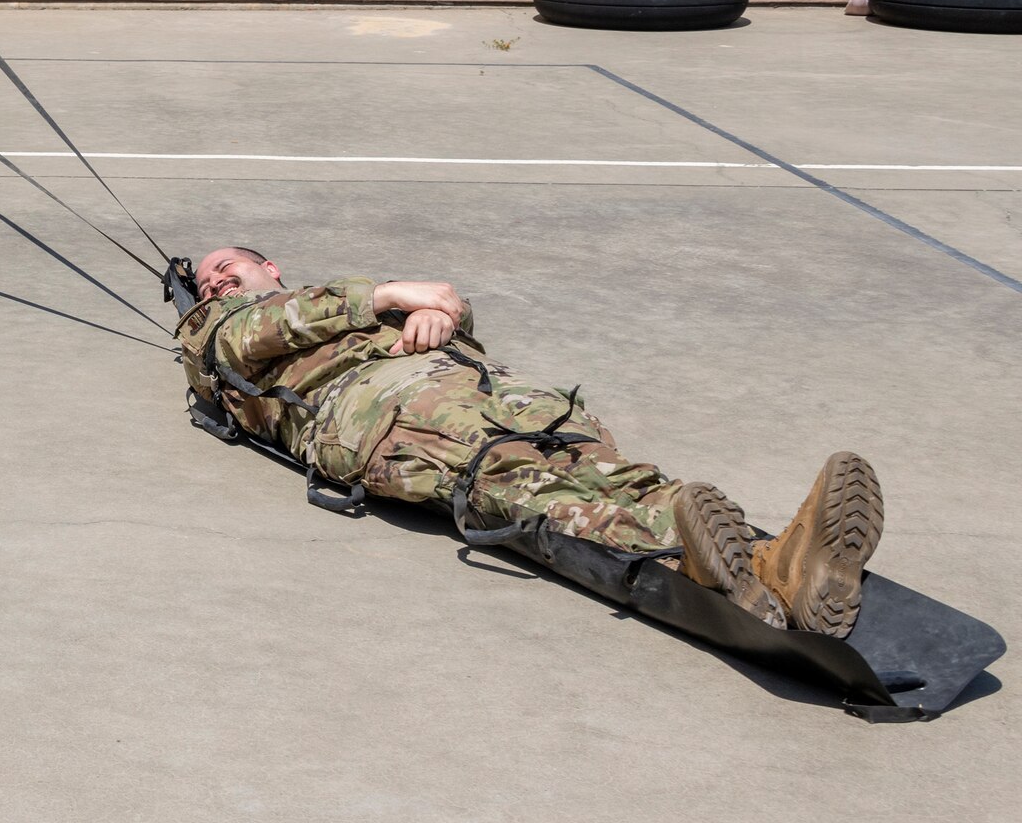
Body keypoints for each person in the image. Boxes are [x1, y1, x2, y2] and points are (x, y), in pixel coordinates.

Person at [179, 247, 885, 637]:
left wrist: (444, 316)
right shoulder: (216, 331)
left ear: (271, 266)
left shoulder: (345, 294)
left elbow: (451, 306)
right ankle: (707, 554)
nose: (214, 280)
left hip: (486, 387)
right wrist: (393, 296)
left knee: (601, 464)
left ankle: (775, 565)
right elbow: (242, 342)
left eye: (228, 266)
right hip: (383, 414)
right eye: (207, 280)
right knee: (530, 491)